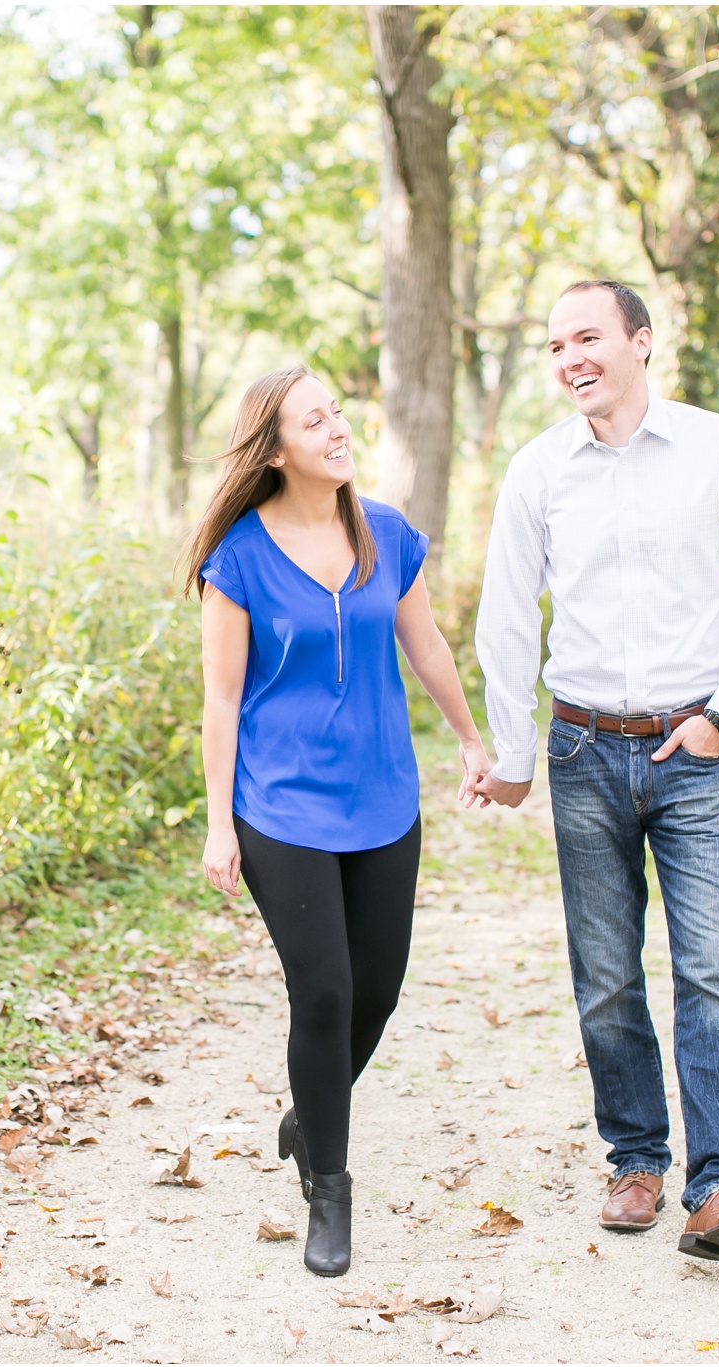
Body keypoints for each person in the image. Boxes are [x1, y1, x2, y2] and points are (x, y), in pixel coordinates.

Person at [471, 280, 719, 1260]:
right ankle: (635, 1159)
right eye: (552, 345)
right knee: (606, 978)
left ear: (639, 342)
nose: (569, 356)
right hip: (580, 749)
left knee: (707, 972)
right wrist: (511, 752)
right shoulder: (537, 470)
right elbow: (503, 617)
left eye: (586, 336)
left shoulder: (716, 449)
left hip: (690, 751)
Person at [184, 365, 494, 1277]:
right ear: (276, 450)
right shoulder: (237, 557)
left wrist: (470, 739)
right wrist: (218, 822)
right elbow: (221, 698)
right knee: (322, 990)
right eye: (313, 421)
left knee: (379, 989)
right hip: (279, 804)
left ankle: (306, 1112)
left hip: (384, 796)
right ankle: (330, 1188)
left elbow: (425, 644)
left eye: (336, 414)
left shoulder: (384, 533)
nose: (336, 429)